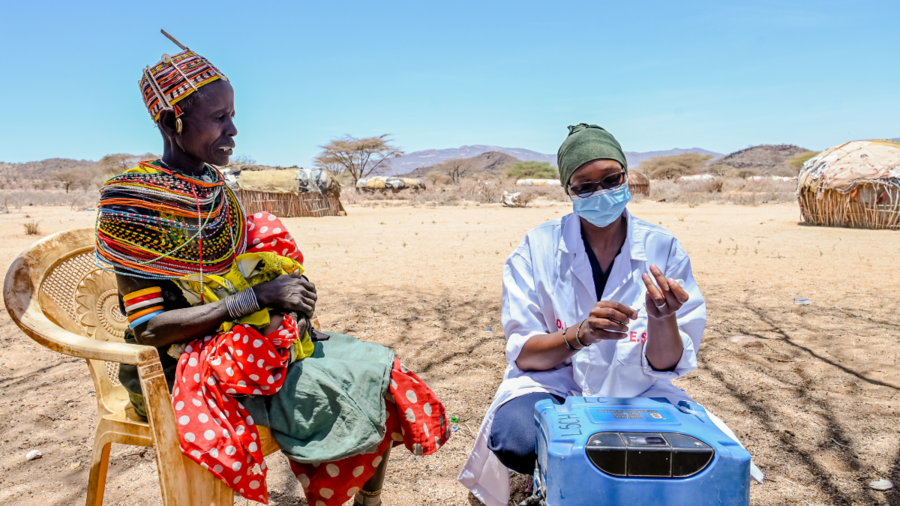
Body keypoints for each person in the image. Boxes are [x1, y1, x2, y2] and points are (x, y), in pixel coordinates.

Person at [99, 35, 450, 506]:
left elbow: (241, 272)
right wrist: (255, 300)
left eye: (233, 116)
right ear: (171, 120)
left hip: (236, 343)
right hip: (173, 369)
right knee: (341, 389)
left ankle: (369, 502)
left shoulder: (213, 188)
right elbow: (148, 329)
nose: (233, 130)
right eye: (219, 118)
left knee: (379, 368)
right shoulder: (136, 203)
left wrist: (290, 299)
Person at [458, 124, 762, 505]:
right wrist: (580, 334)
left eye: (610, 178)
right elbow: (526, 354)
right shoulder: (537, 248)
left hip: (637, 391)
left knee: (655, 456)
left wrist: (662, 318)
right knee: (518, 438)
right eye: (584, 185)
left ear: (626, 176)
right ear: (569, 191)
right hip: (553, 386)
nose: (600, 193)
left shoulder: (662, 248)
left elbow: (668, 363)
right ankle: (545, 484)